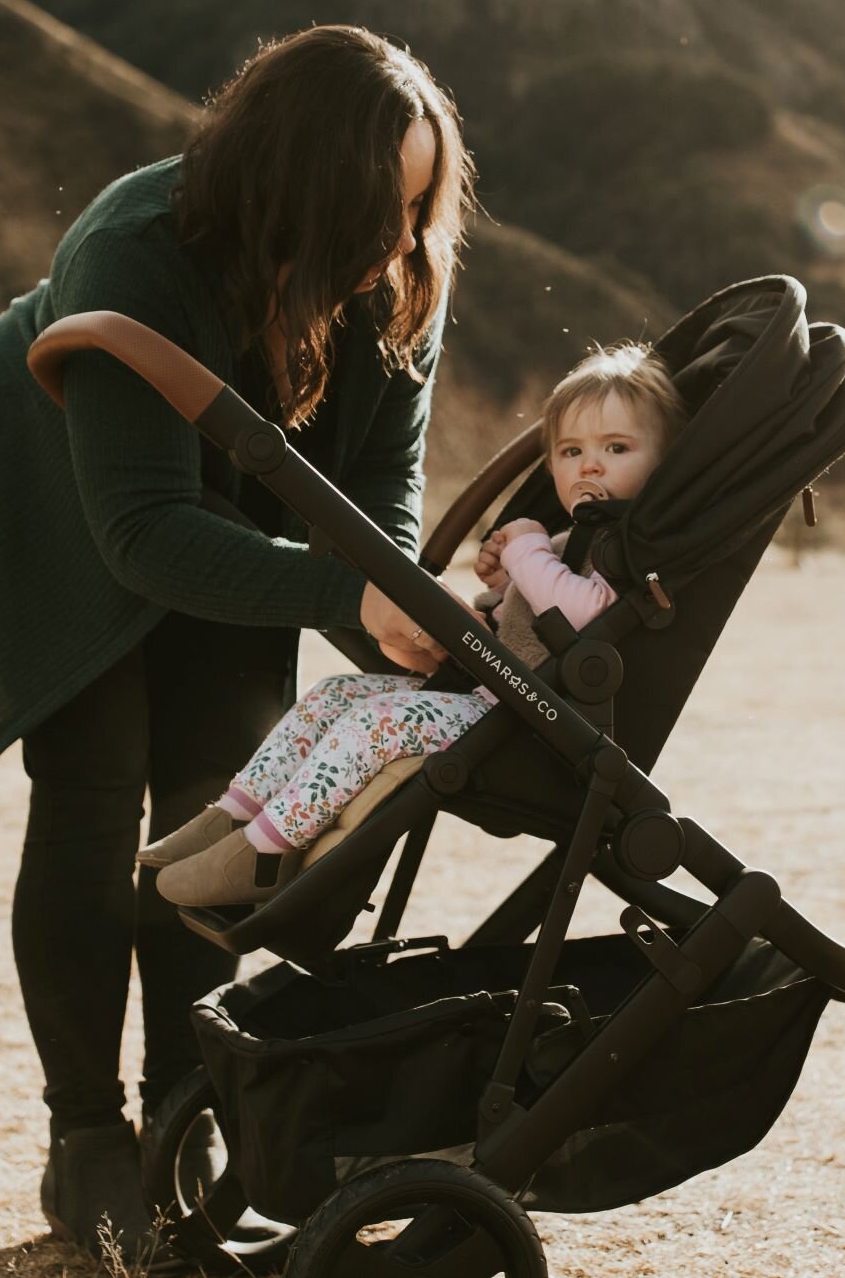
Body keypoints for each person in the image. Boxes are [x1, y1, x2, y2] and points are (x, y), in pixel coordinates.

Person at [0, 25, 474, 1259]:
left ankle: (183, 1117)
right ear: (296, 177)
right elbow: (144, 531)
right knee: (97, 803)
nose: (393, 244)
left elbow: (381, 489)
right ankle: (86, 1141)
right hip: (56, 501)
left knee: (217, 808)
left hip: (243, 519)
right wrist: (343, 593)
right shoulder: (138, 246)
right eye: (374, 208)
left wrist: (385, 595)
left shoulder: (394, 275)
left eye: (416, 211)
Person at [145, 342, 688, 908]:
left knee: (378, 721)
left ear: (664, 462)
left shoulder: (626, 547)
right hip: (495, 700)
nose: (590, 465)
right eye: (571, 450)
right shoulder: (569, 538)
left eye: (617, 448)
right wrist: (502, 586)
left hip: (535, 727)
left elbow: (582, 614)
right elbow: (524, 619)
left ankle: (261, 853)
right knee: (335, 694)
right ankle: (233, 816)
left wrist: (526, 549)